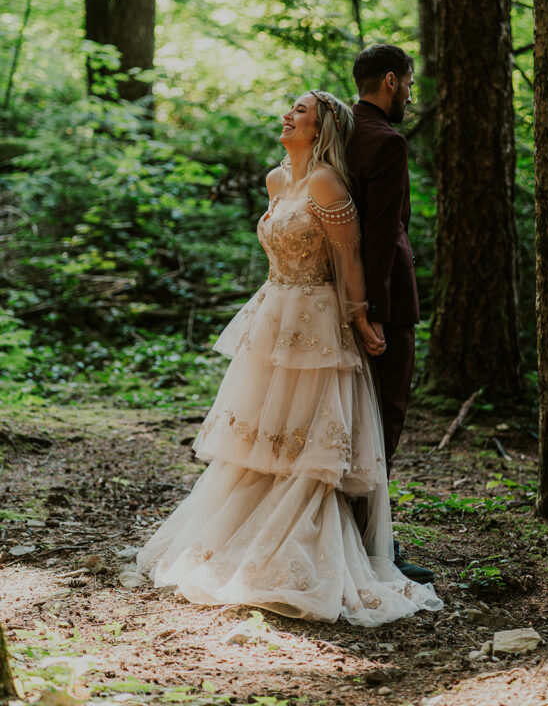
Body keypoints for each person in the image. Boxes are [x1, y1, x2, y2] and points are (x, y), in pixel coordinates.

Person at [132, 90, 442, 626]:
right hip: (273, 317)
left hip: (319, 324)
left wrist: (362, 318)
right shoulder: (277, 181)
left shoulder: (327, 183)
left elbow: (347, 259)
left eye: (300, 111)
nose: (287, 116)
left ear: (320, 130)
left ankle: (307, 543)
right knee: (261, 437)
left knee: (306, 440)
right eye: (290, 109)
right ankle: (243, 533)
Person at [346, 44, 434, 584]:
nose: (410, 92)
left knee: (348, 418)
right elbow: (380, 234)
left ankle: (353, 534)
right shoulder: (387, 141)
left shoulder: (336, 135)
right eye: (408, 82)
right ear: (389, 81)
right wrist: (374, 311)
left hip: (338, 297)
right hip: (386, 305)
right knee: (384, 420)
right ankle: (376, 543)